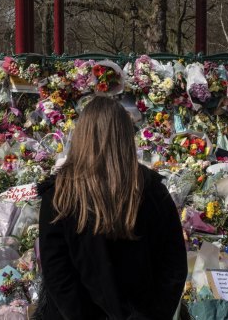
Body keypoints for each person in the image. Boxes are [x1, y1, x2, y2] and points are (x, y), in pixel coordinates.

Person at [36, 96, 187, 320]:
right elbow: (173, 266)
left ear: (82, 136)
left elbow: (57, 273)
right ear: (126, 137)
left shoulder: (60, 195)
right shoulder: (153, 192)